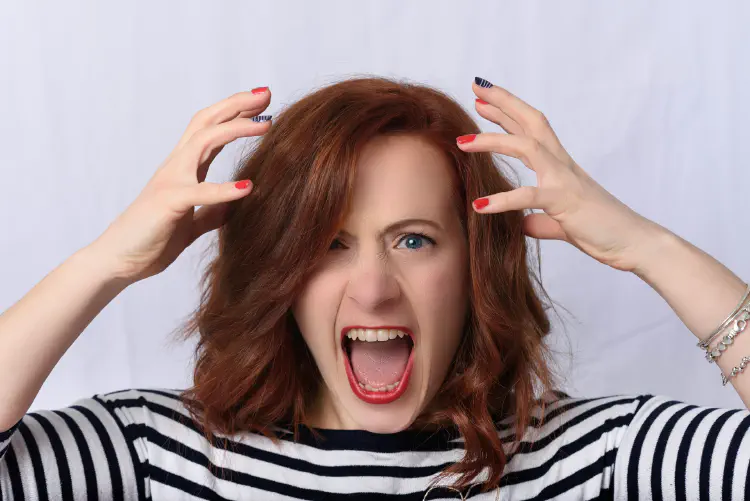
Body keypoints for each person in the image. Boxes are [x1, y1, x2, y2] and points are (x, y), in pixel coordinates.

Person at [0, 76, 749, 500]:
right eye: (329, 244)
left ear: (474, 266)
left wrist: (650, 247)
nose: (374, 287)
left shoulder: (595, 459)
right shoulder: (154, 454)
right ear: (283, 274)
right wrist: (105, 263)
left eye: (414, 240)